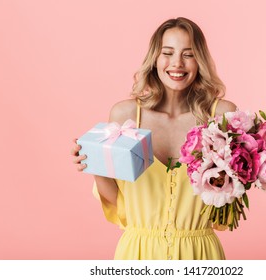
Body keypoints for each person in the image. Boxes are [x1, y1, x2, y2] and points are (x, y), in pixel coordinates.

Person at [71, 17, 237, 260]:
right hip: (138, 254)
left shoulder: (221, 116)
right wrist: (94, 163)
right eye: (167, 53)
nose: (177, 63)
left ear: (199, 60)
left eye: (188, 54)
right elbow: (118, 200)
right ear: (155, 59)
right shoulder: (126, 115)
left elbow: (228, 204)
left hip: (199, 254)